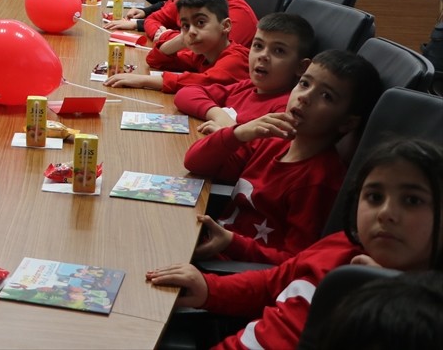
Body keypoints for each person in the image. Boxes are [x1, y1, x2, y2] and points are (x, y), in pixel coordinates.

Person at [146, 138, 443, 350]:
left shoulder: (425, 314)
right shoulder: (339, 245)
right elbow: (272, 283)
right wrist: (210, 288)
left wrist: (388, 296)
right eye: (374, 197)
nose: (386, 213)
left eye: (412, 200)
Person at [184, 49, 381, 265]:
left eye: (326, 96)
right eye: (304, 84)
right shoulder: (273, 139)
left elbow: (295, 263)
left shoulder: (318, 182)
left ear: (347, 123)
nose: (304, 97)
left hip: (230, 268)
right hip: (208, 245)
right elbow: (194, 162)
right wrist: (239, 133)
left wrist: (232, 243)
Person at [175, 12, 315, 134]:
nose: (263, 56)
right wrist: (219, 115)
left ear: (301, 67)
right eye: (258, 46)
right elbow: (185, 94)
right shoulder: (248, 86)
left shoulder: (284, 111)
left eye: (279, 50)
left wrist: (232, 133)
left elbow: (255, 152)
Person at [105, 0, 250, 93]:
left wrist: (143, 80)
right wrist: (182, 39)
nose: (192, 31)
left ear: (225, 26)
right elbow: (155, 60)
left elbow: (203, 82)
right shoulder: (203, 54)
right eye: (185, 25)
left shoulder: (235, 58)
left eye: (200, 23)